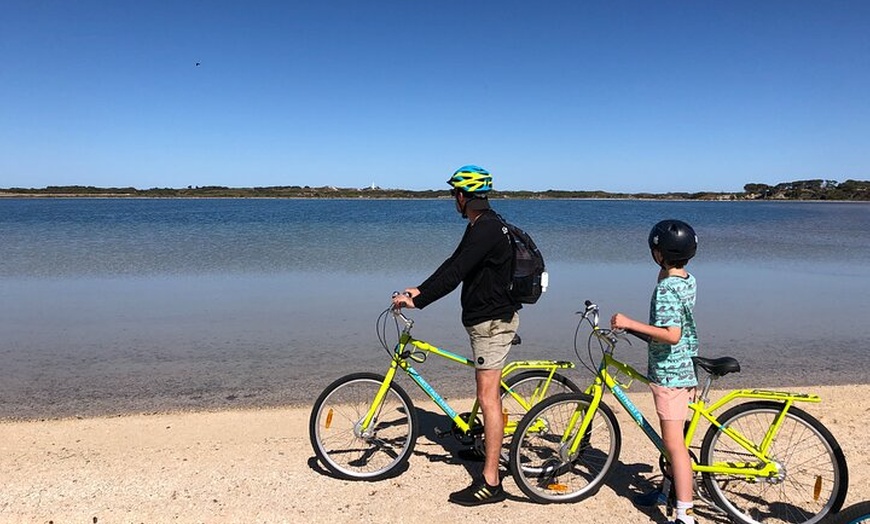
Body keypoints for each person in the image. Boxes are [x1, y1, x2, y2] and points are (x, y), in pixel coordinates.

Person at [391, 164, 519, 506]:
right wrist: (419, 290)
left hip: (492, 324)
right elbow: (454, 263)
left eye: (454, 194)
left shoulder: (487, 229)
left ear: (463, 196)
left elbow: (457, 272)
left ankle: (491, 482)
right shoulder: (484, 225)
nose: (453, 200)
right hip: (487, 321)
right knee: (486, 393)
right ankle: (481, 446)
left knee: (489, 399)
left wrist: (420, 302)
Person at [610, 219, 699, 524]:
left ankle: (685, 514)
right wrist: (666, 267)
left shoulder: (666, 290)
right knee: (672, 443)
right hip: (683, 367)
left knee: (675, 447)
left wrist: (630, 323)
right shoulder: (687, 280)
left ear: (660, 254)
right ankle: (666, 493)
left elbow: (672, 333)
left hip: (671, 375)